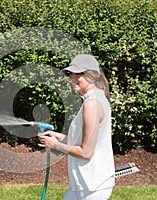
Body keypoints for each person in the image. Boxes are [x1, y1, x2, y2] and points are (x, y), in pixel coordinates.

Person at [38, 54, 115, 200]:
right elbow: (81, 141)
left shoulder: (92, 104)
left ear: (91, 76)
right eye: (71, 74)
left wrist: (55, 145)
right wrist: (57, 136)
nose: (71, 78)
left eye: (77, 74)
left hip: (93, 186)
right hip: (85, 183)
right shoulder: (94, 99)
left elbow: (86, 152)